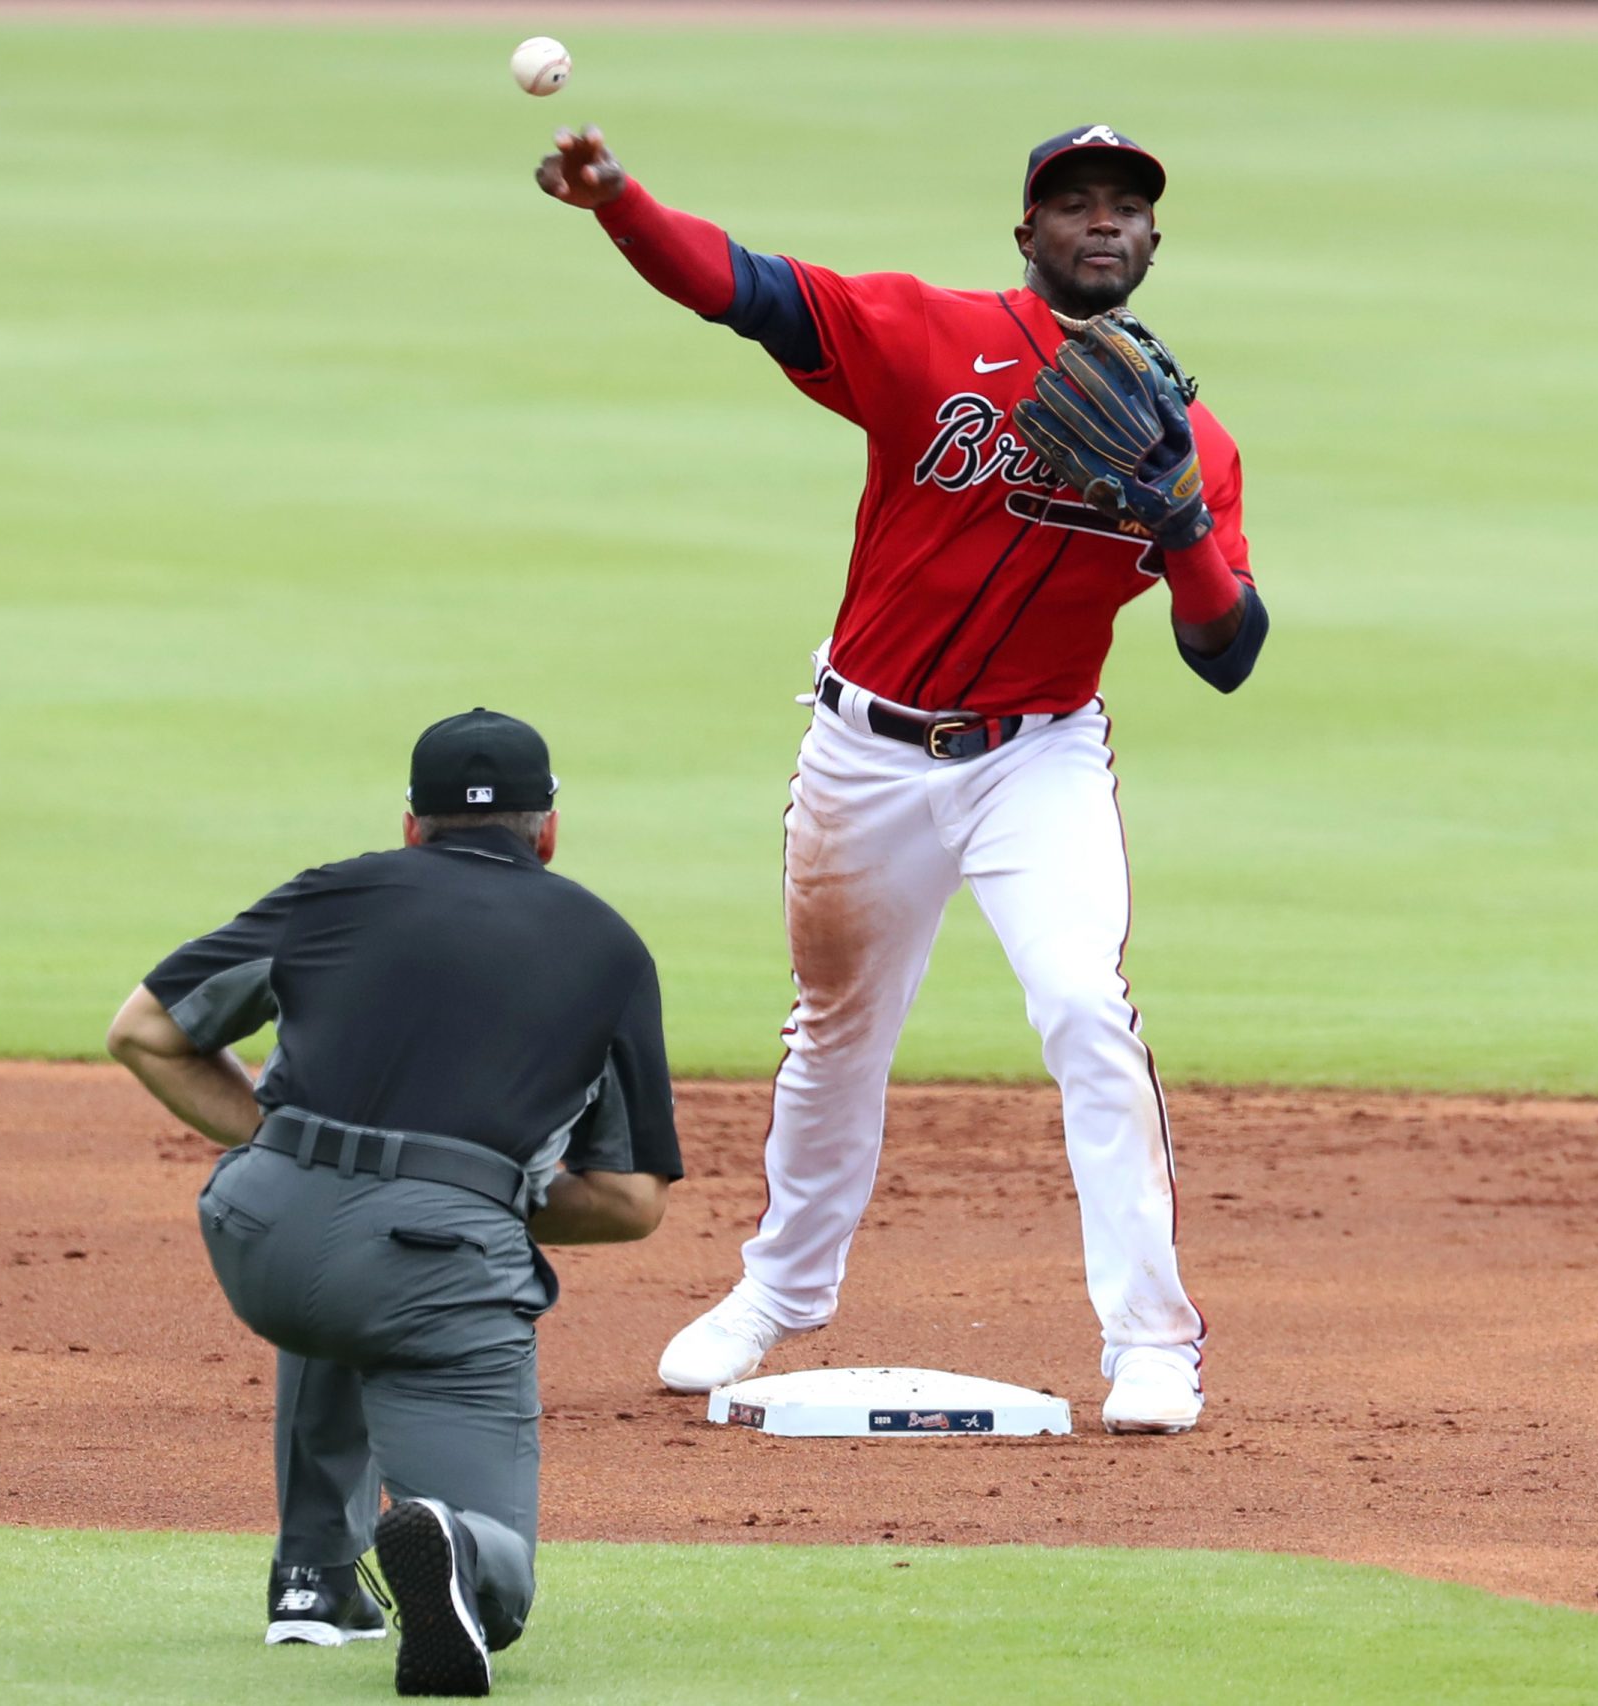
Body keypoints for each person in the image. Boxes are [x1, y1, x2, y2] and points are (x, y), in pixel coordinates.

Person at [534, 121, 1263, 1433]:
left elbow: (1227, 654)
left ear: (1154, 241)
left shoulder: (1193, 443)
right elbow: (743, 287)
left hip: (1036, 757)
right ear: (1027, 234)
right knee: (835, 1027)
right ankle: (779, 1290)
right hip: (864, 752)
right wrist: (618, 202)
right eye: (1073, 203)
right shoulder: (923, 335)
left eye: (1126, 207)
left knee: (1085, 1009)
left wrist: (1180, 527)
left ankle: (1155, 1343)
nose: (1102, 221)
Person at [106, 710, 683, 1696]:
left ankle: (313, 1576)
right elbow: (630, 1201)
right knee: (494, 1574)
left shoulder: (331, 891)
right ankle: (454, 1546)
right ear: (547, 830)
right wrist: (474, 1193)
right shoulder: (607, 945)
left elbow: (144, 1031)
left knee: (346, 1255)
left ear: (411, 825)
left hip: (259, 1228)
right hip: (431, 1261)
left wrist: (288, 1150)